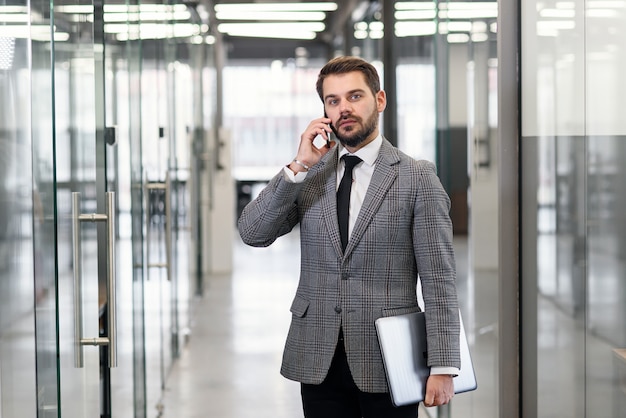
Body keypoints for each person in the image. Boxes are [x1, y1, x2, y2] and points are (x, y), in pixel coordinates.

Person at [238, 55, 460, 418]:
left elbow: (439, 279)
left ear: (380, 100)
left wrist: (442, 366)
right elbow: (252, 232)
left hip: (389, 359)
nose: (344, 108)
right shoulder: (310, 175)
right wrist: (299, 166)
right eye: (333, 100)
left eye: (355, 96)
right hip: (317, 356)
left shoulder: (416, 178)